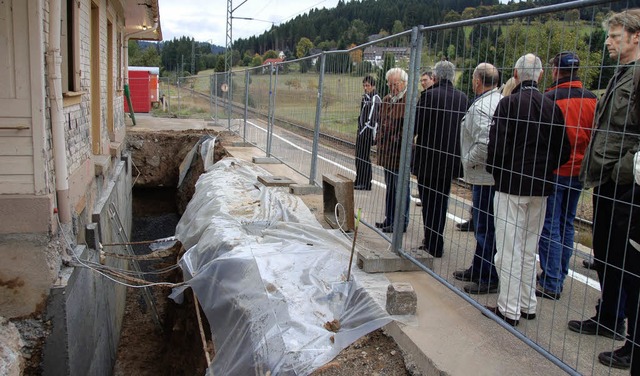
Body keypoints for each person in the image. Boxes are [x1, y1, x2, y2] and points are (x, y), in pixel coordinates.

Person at [574, 9, 640, 369]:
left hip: (623, 184)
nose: (608, 42)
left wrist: (621, 170)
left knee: (627, 263)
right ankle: (609, 316)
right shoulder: (621, 74)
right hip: (605, 180)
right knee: (606, 255)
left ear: (636, 36)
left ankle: (632, 341)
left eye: (615, 36)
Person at [485, 53, 570, 326]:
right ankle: (527, 302)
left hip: (511, 186)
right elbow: (564, 150)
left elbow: (496, 149)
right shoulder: (551, 107)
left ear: (516, 74)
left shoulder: (509, 104)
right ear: (541, 75)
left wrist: (497, 171)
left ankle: (508, 308)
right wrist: (546, 169)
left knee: (509, 248)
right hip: (541, 187)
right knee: (529, 247)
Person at [536, 52, 597, 301]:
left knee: (549, 225)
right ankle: (559, 273)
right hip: (580, 169)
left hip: (555, 170)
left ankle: (551, 280)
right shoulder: (592, 99)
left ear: (555, 70)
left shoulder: (550, 99)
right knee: (567, 223)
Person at [453, 63, 502, 294]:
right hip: (487, 175)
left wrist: (467, 161)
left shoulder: (483, 105)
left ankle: (487, 276)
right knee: (484, 226)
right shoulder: (498, 99)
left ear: (477, 81)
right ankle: (478, 267)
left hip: (484, 175)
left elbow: (484, 142)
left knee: (485, 227)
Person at [413, 61, 469, 257]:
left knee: (428, 202)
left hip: (428, 160)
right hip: (450, 160)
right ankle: (436, 240)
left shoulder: (429, 96)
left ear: (435, 77)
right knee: (441, 201)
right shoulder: (462, 98)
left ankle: (432, 242)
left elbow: (415, 126)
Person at [375, 68, 411, 233]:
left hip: (398, 154)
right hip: (387, 154)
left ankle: (400, 221)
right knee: (390, 188)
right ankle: (389, 218)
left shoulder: (408, 101)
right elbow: (381, 123)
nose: (392, 87)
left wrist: (393, 140)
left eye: (395, 84)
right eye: (390, 84)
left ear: (403, 83)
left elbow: (407, 130)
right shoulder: (387, 100)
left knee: (400, 189)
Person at [355, 76, 381, 191]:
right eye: (364, 85)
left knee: (364, 157)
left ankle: (366, 182)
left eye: (368, 86)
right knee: (359, 157)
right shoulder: (365, 98)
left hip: (367, 134)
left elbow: (372, 119)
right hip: (361, 132)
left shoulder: (375, 98)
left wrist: (363, 130)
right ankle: (359, 179)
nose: (366, 88)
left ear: (373, 86)